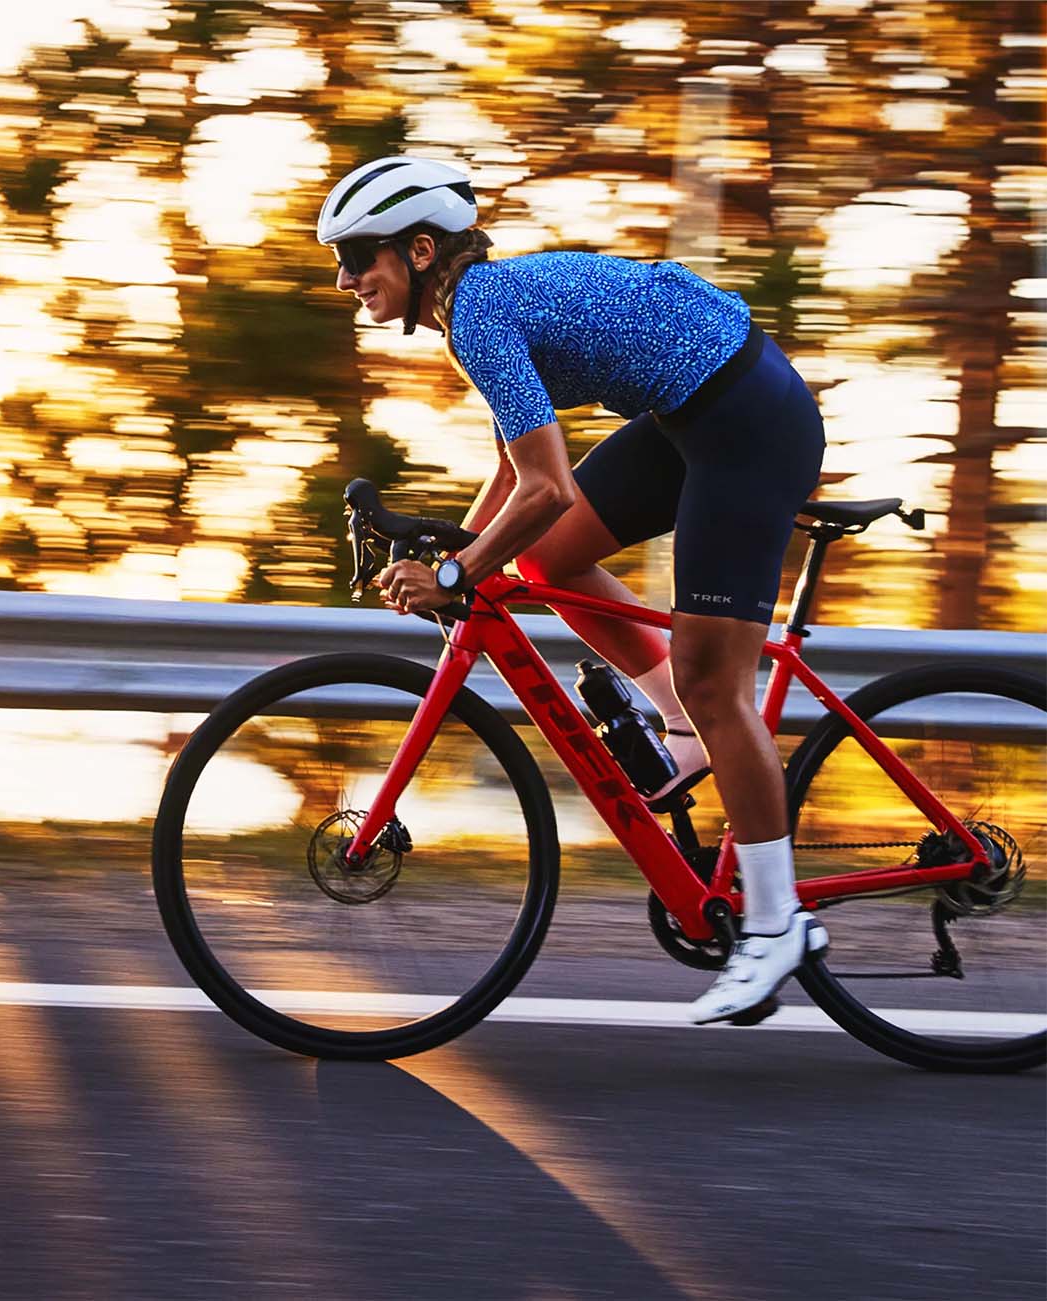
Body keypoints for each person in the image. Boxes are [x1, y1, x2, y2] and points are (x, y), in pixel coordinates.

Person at [317, 155, 828, 1024]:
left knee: (718, 681)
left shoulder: (477, 315)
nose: (344, 279)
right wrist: (470, 555)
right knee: (547, 561)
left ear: (421, 247)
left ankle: (777, 924)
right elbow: (520, 468)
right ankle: (680, 721)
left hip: (745, 422)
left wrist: (455, 571)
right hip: (691, 412)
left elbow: (544, 488)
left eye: (358, 256)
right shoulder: (473, 309)